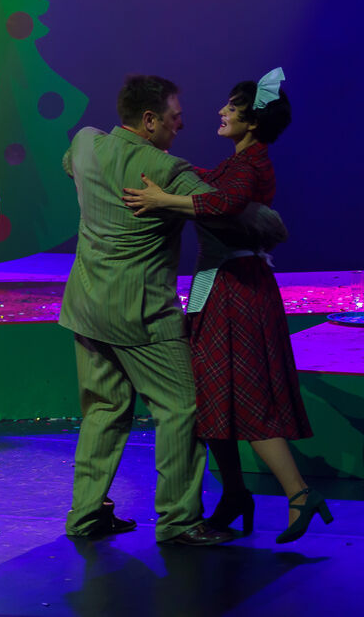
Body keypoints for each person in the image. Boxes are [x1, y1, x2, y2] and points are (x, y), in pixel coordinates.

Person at [122, 69, 329, 543]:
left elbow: (224, 203)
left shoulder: (251, 165)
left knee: (245, 395)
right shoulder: (236, 162)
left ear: (252, 121)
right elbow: (204, 181)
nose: (221, 111)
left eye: (232, 107)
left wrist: (162, 199)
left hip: (236, 288)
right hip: (211, 283)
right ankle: (235, 493)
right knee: (209, 395)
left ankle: (299, 494)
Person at [59, 75, 237, 546]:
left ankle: (86, 515)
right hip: (140, 313)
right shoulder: (168, 170)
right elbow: (224, 207)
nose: (182, 125)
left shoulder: (86, 143)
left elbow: (69, 165)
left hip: (87, 304)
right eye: (175, 118)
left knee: (103, 410)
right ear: (150, 120)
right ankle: (178, 521)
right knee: (181, 408)